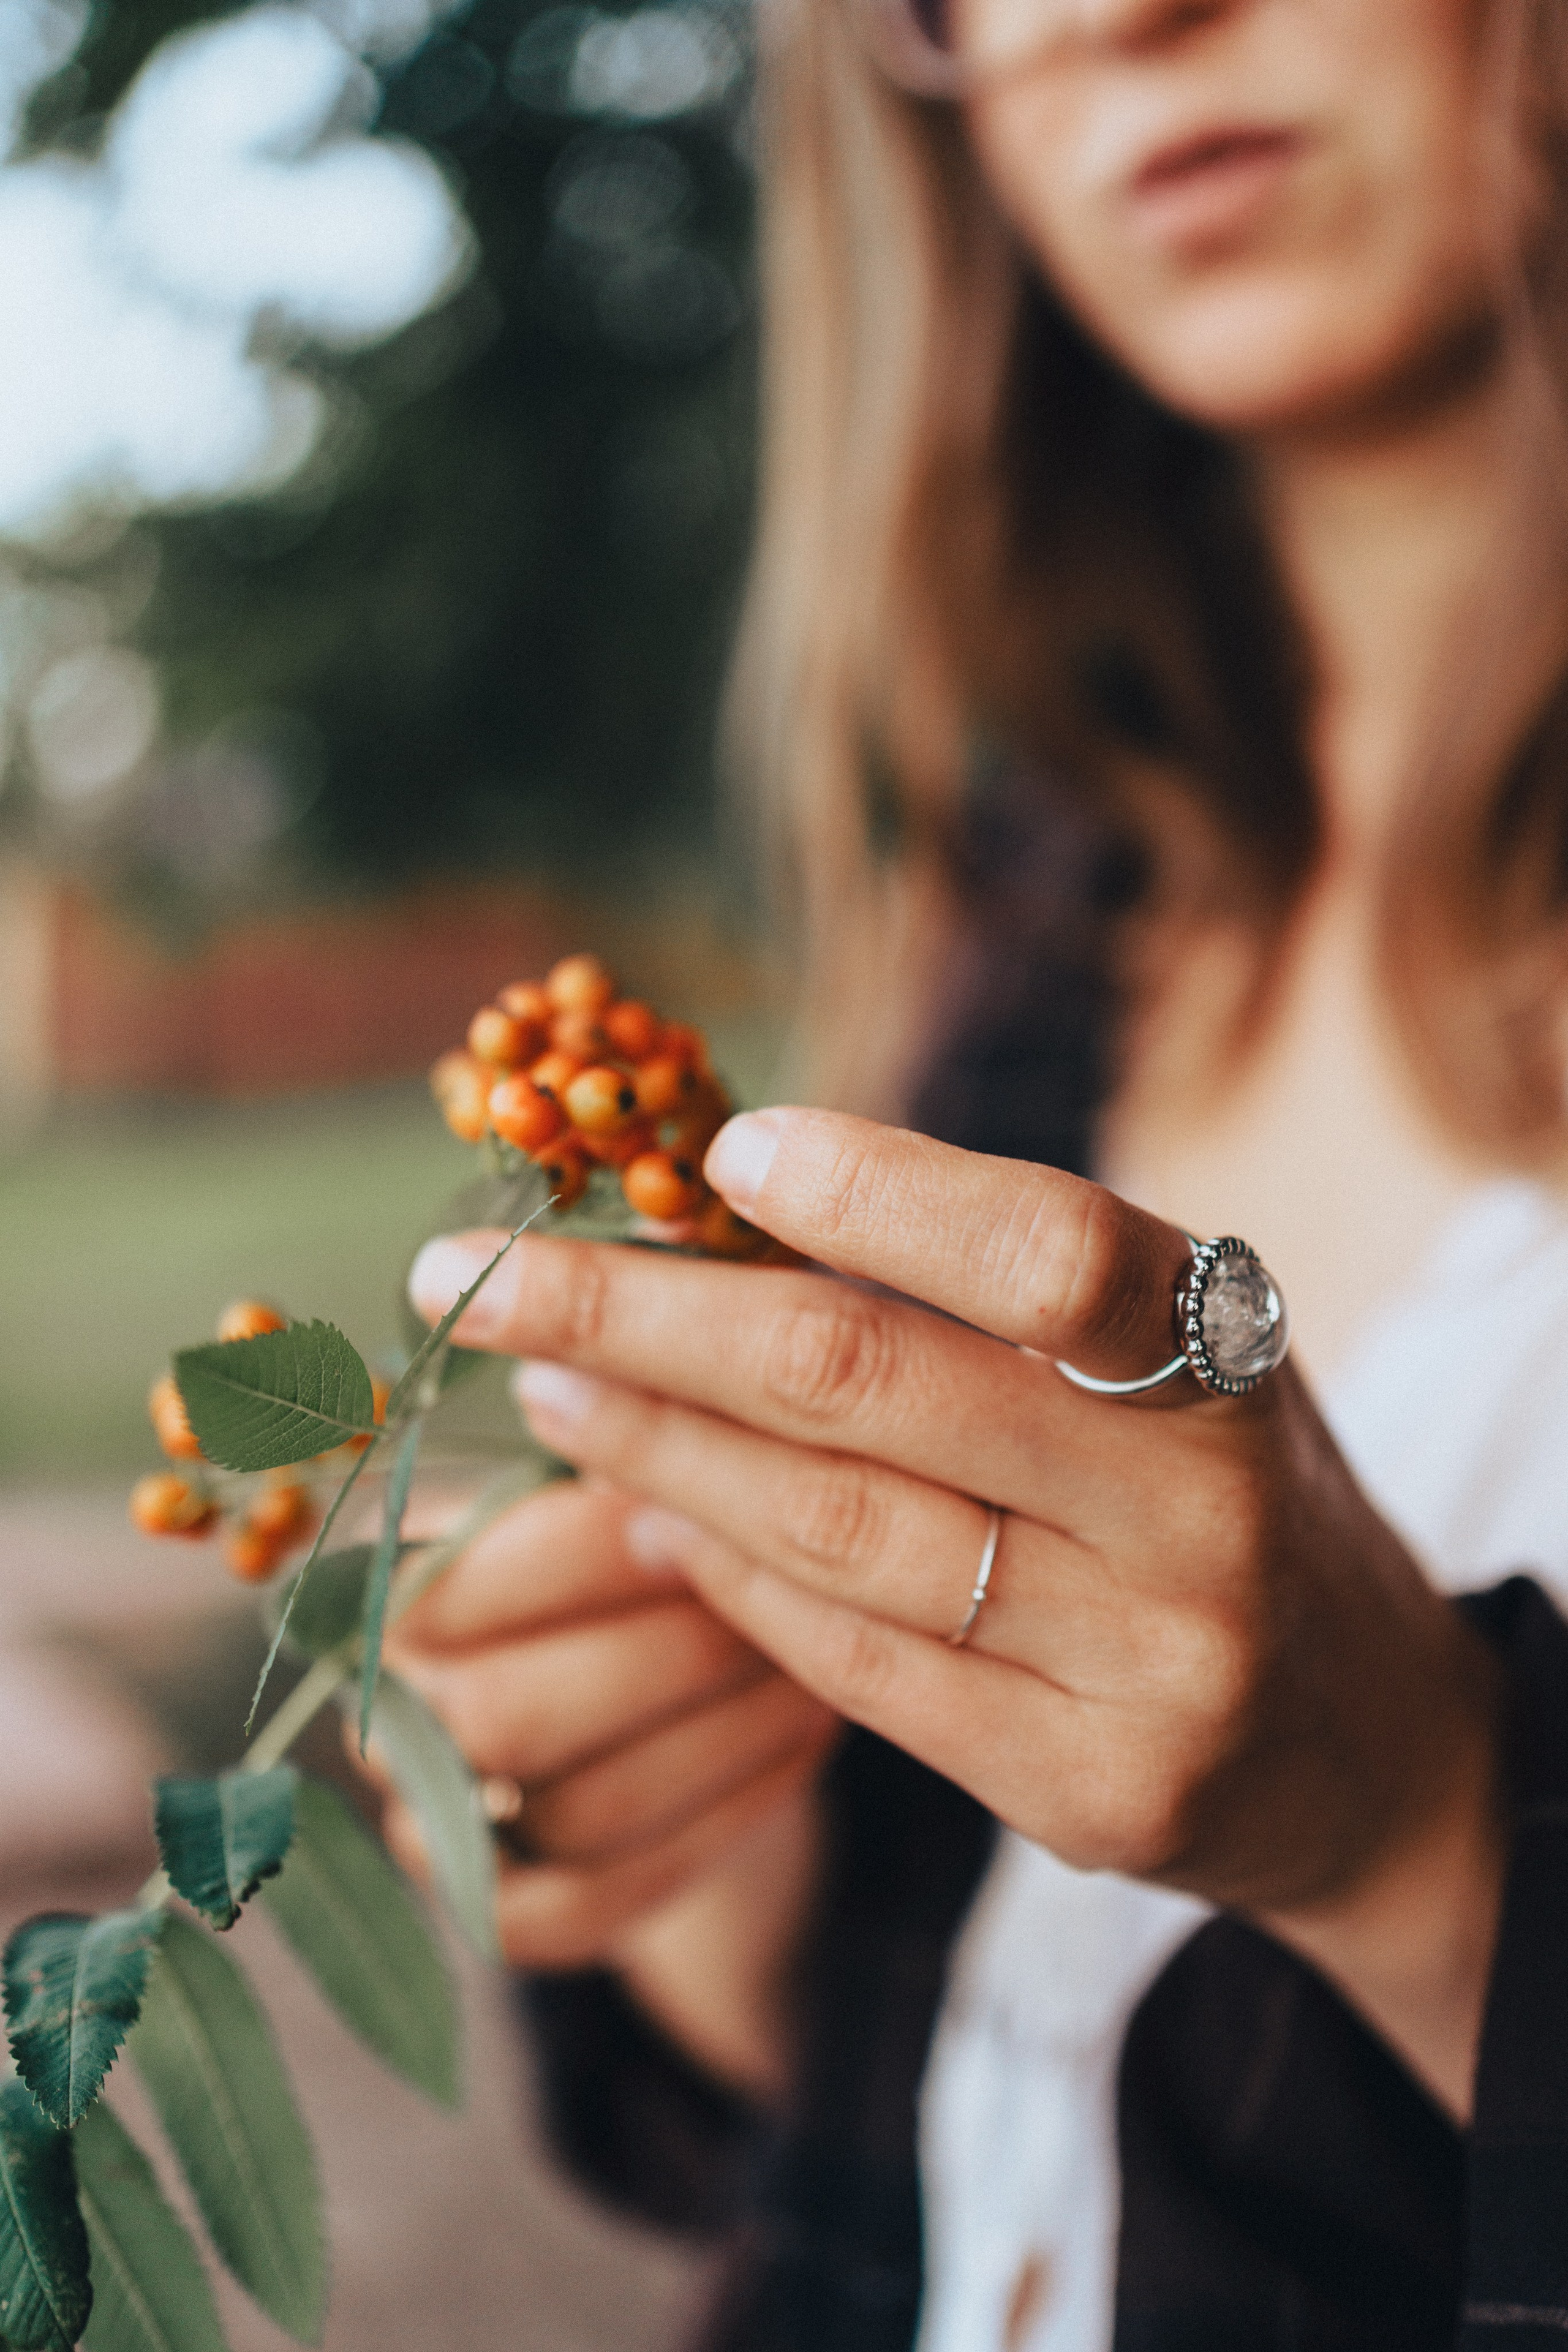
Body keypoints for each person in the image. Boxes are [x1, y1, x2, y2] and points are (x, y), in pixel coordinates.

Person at [379, 2, 1568, 2345]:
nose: (1111, 14)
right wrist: (709, 1852)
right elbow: (934, 2133)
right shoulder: (1029, 921)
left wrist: (1442, 1839)